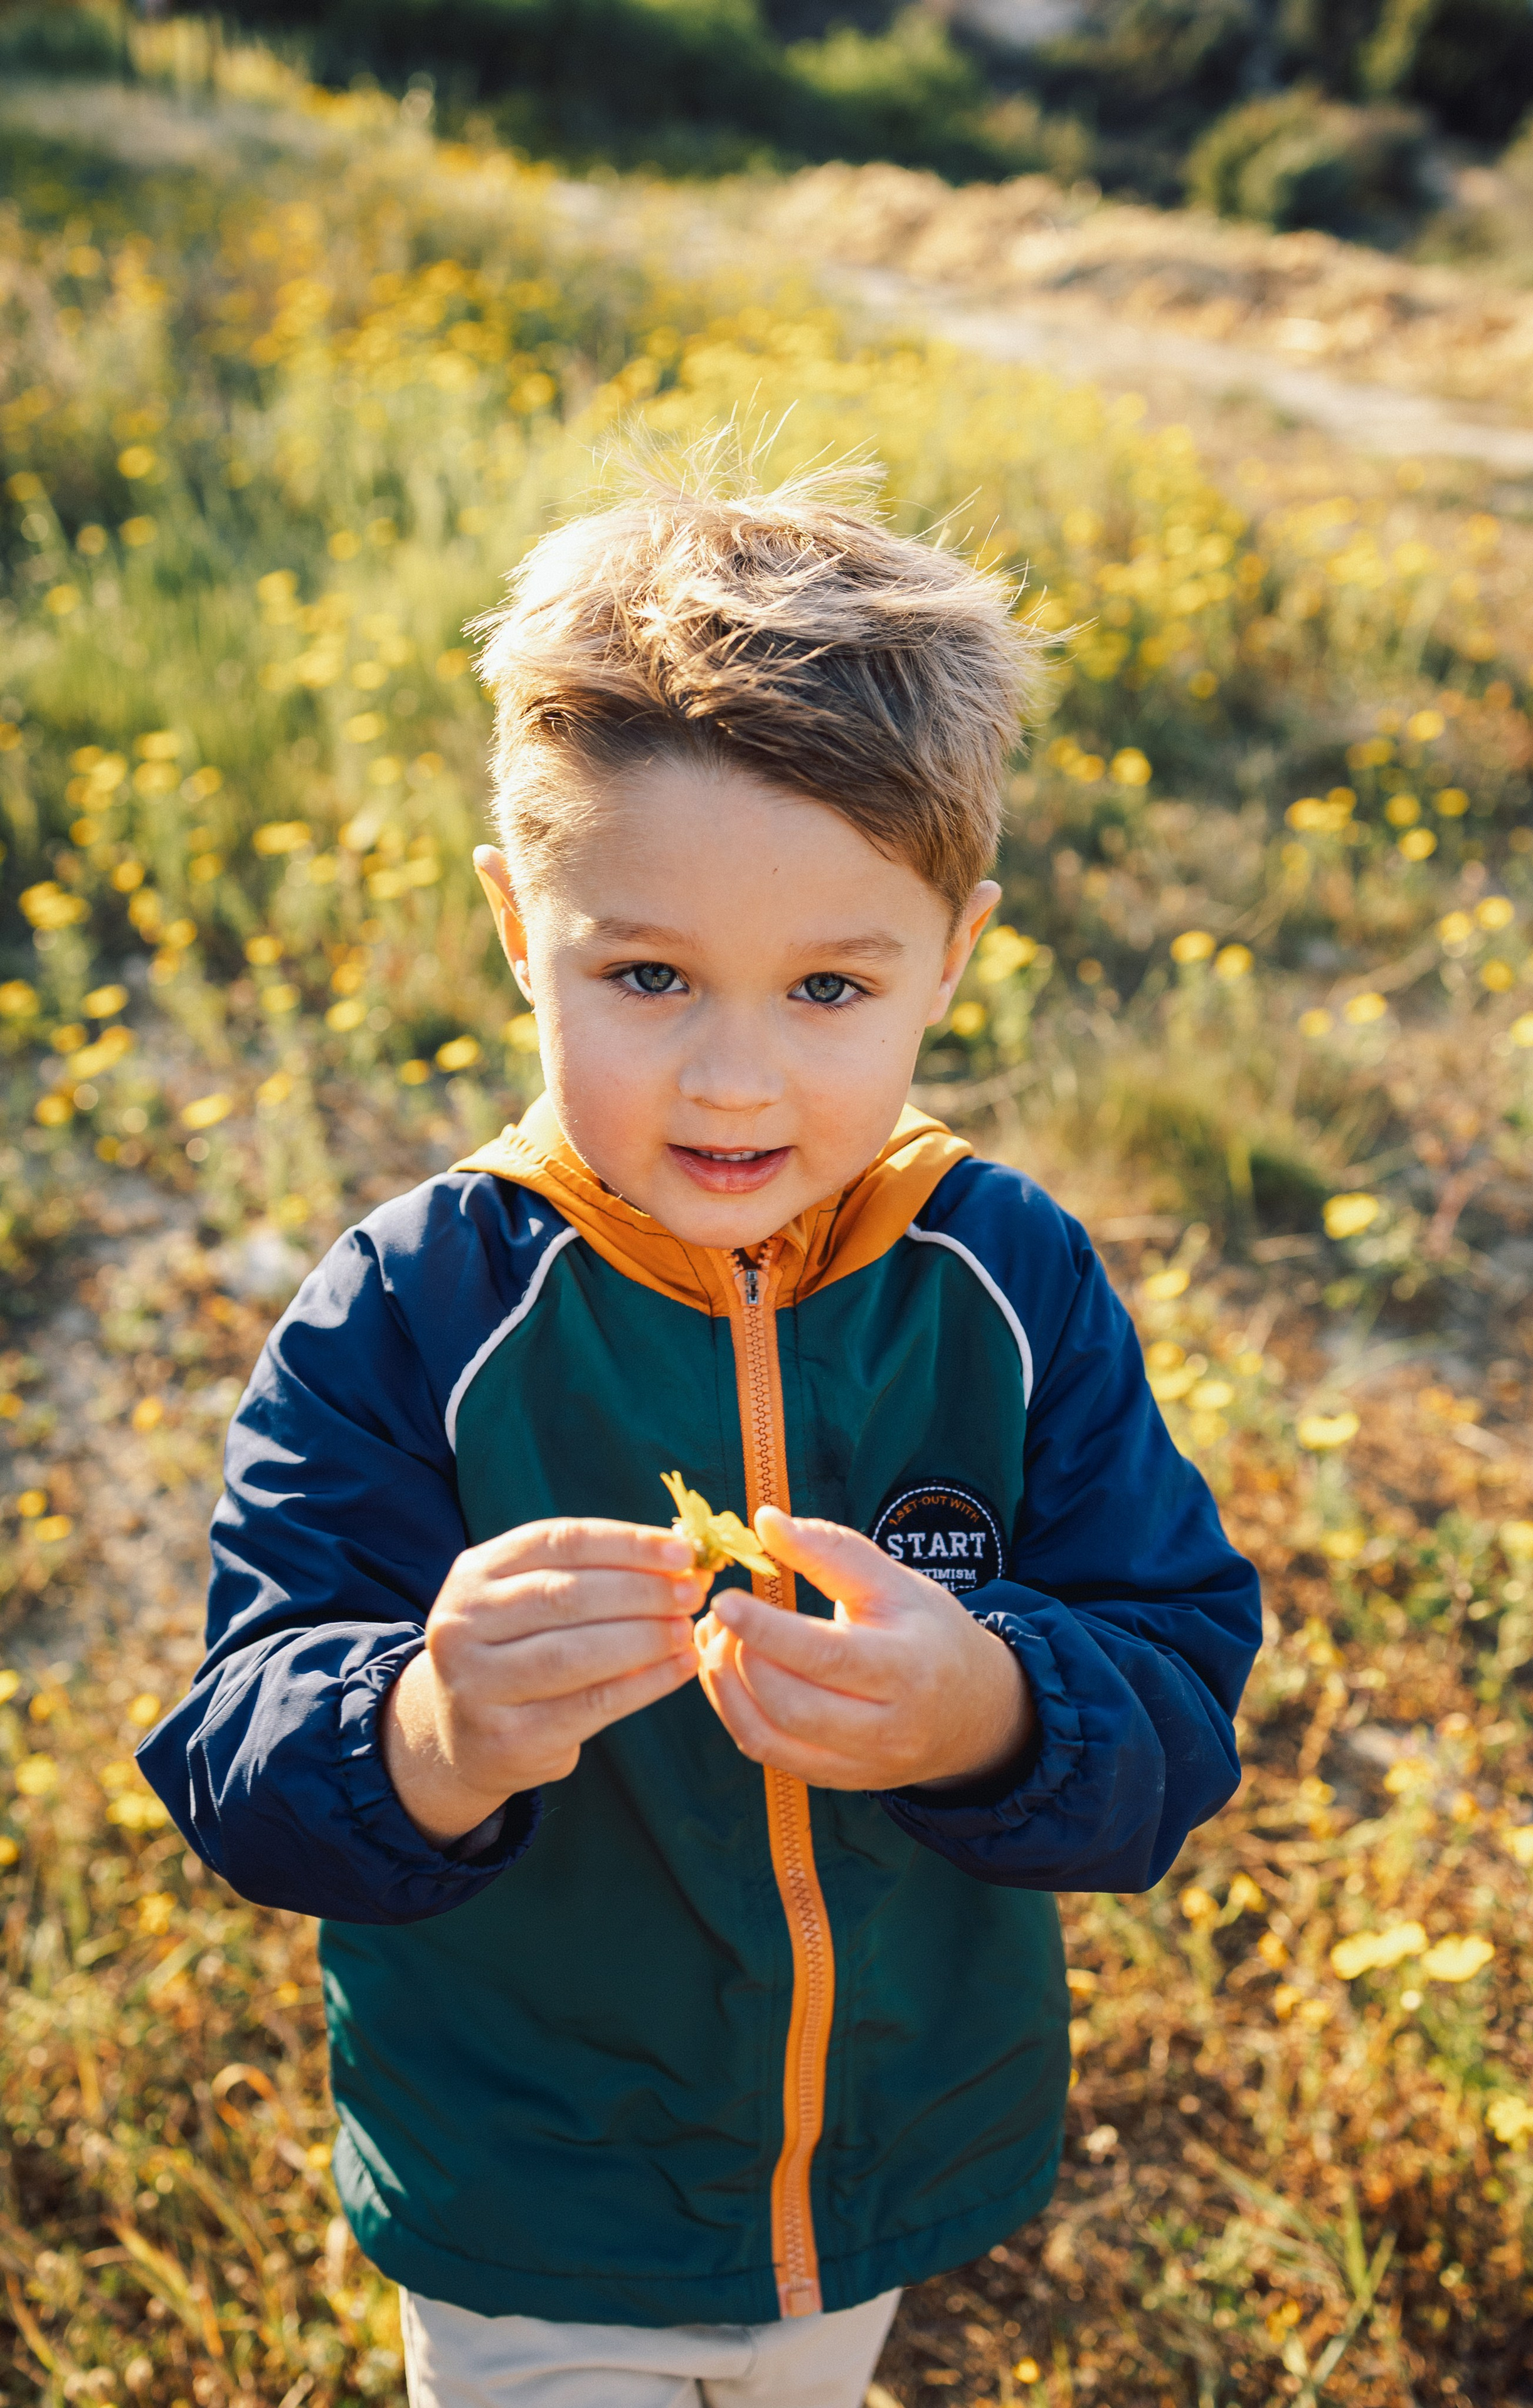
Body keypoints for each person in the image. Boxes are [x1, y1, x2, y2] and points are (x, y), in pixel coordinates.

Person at [138, 458, 1260, 2408]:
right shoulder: (416, 1309)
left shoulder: (1009, 1279)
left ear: (955, 955)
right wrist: (432, 1729)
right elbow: (240, 1755)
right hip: (533, 2192)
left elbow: (1180, 1680)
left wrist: (991, 1710)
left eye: (832, 985)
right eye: (645, 975)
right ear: (518, 921)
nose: (735, 1075)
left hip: (886, 2157)